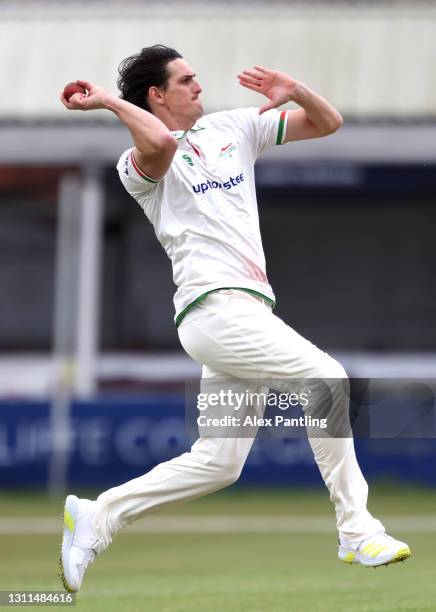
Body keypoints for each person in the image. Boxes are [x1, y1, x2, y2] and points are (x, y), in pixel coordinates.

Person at [59, 44, 410, 593]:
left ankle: (99, 515)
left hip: (247, 310)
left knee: (218, 463)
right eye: (186, 80)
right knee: (327, 379)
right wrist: (107, 100)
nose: (200, 86)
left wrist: (295, 92)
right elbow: (155, 140)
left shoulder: (235, 128)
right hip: (213, 310)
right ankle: (356, 529)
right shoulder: (136, 165)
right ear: (157, 95)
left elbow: (327, 123)